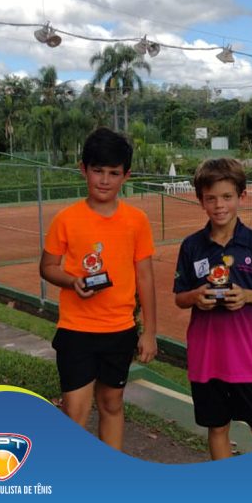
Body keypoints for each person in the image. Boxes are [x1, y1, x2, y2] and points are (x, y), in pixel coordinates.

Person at [40, 127, 157, 451]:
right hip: (76, 330)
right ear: (83, 169)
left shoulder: (137, 220)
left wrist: (149, 332)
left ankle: (110, 474)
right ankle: (72, 475)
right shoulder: (66, 219)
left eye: (113, 173)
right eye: (97, 170)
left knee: (111, 403)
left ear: (126, 176)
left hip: (119, 331)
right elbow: (47, 267)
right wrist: (72, 281)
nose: (104, 180)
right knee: (74, 411)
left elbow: (145, 278)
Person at [173, 158, 252, 460]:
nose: (219, 205)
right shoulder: (191, 246)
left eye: (227, 197)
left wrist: (246, 296)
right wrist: (196, 296)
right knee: (218, 428)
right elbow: (180, 297)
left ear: (241, 196)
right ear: (201, 201)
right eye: (211, 198)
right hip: (206, 357)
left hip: (245, 359)